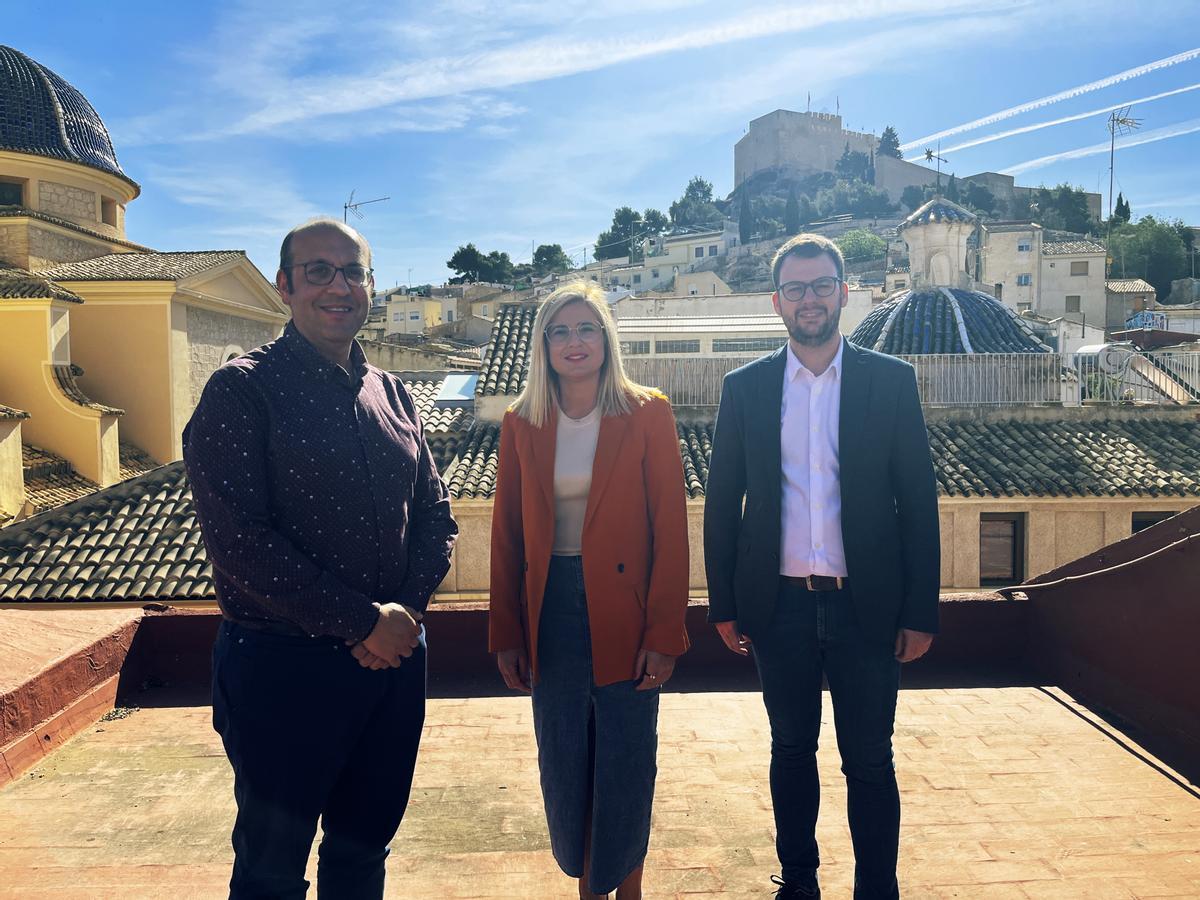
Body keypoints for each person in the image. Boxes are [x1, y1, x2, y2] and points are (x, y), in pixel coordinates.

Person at [183, 217, 458, 899]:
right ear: (285, 286)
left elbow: (436, 516)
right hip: (282, 672)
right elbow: (241, 544)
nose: (339, 286)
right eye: (318, 271)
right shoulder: (243, 391)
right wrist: (363, 622)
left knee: (363, 857)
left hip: (391, 670)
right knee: (271, 871)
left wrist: (402, 617)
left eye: (353, 271)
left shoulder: (393, 395)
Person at [703, 234, 940, 899]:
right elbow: (722, 504)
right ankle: (799, 882)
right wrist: (724, 604)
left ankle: (877, 888)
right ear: (777, 301)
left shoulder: (891, 383)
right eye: (797, 288)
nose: (810, 298)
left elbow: (917, 503)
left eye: (822, 285)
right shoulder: (745, 388)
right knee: (790, 752)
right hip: (777, 608)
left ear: (845, 292)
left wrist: (921, 612)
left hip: (868, 608)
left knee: (869, 760)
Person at [489, 281, 690, 899]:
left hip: (625, 612)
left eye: (586, 329)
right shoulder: (523, 423)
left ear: (606, 338)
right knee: (566, 760)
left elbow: (670, 529)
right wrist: (507, 636)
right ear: (543, 346)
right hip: (549, 610)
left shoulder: (647, 411)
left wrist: (664, 634)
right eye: (560, 331)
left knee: (626, 764)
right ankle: (589, 891)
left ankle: (626, 891)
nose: (574, 343)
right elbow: (508, 537)